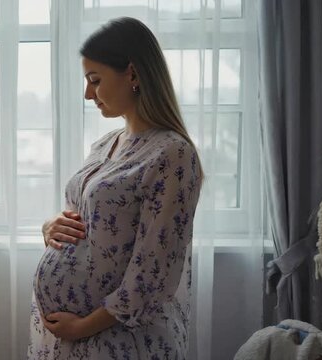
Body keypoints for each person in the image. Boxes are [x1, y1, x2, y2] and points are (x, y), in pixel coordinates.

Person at [27, 17, 203, 359]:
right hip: (76, 340)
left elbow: (154, 271)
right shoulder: (107, 143)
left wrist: (82, 327)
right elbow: (91, 222)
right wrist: (50, 227)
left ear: (133, 75)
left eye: (95, 80)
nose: (87, 94)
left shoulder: (172, 153)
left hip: (120, 340)